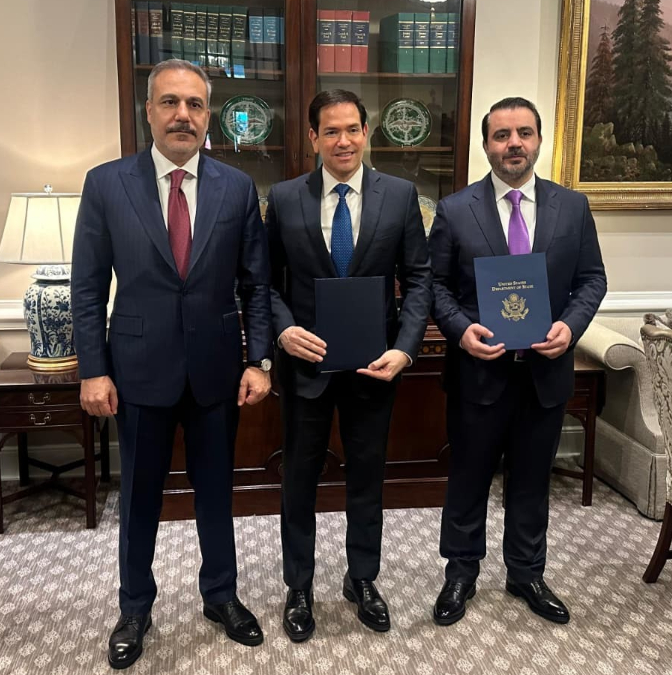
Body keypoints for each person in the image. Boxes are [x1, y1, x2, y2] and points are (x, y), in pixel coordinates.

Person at [71, 58, 274, 670]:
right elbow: (87, 287)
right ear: (149, 111)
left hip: (217, 370)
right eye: (169, 102)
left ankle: (221, 596)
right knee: (139, 498)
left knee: (216, 493)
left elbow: (256, 285)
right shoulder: (106, 184)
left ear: (208, 115)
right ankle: (135, 608)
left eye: (194, 104)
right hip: (136, 370)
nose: (182, 115)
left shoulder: (237, 188)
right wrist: (92, 369)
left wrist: (260, 360)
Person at [427, 97, 607, 627]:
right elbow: (434, 285)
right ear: (486, 144)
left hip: (544, 372)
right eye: (502, 135)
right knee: (468, 478)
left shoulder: (572, 207)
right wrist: (461, 331)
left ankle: (526, 572)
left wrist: (570, 327)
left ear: (538, 140)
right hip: (478, 371)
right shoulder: (455, 209)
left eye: (524, 133)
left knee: (532, 479)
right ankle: (460, 573)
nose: (514, 144)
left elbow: (592, 279)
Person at [267, 89, 432, 641]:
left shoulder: (400, 196)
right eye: (331, 131)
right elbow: (265, 282)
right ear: (313, 137)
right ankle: (299, 587)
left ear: (366, 133)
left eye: (353, 130)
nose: (344, 141)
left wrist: (405, 348)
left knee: (367, 478)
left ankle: (362, 579)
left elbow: (419, 278)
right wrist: (283, 330)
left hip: (373, 366)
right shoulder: (284, 198)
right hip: (305, 369)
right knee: (299, 481)